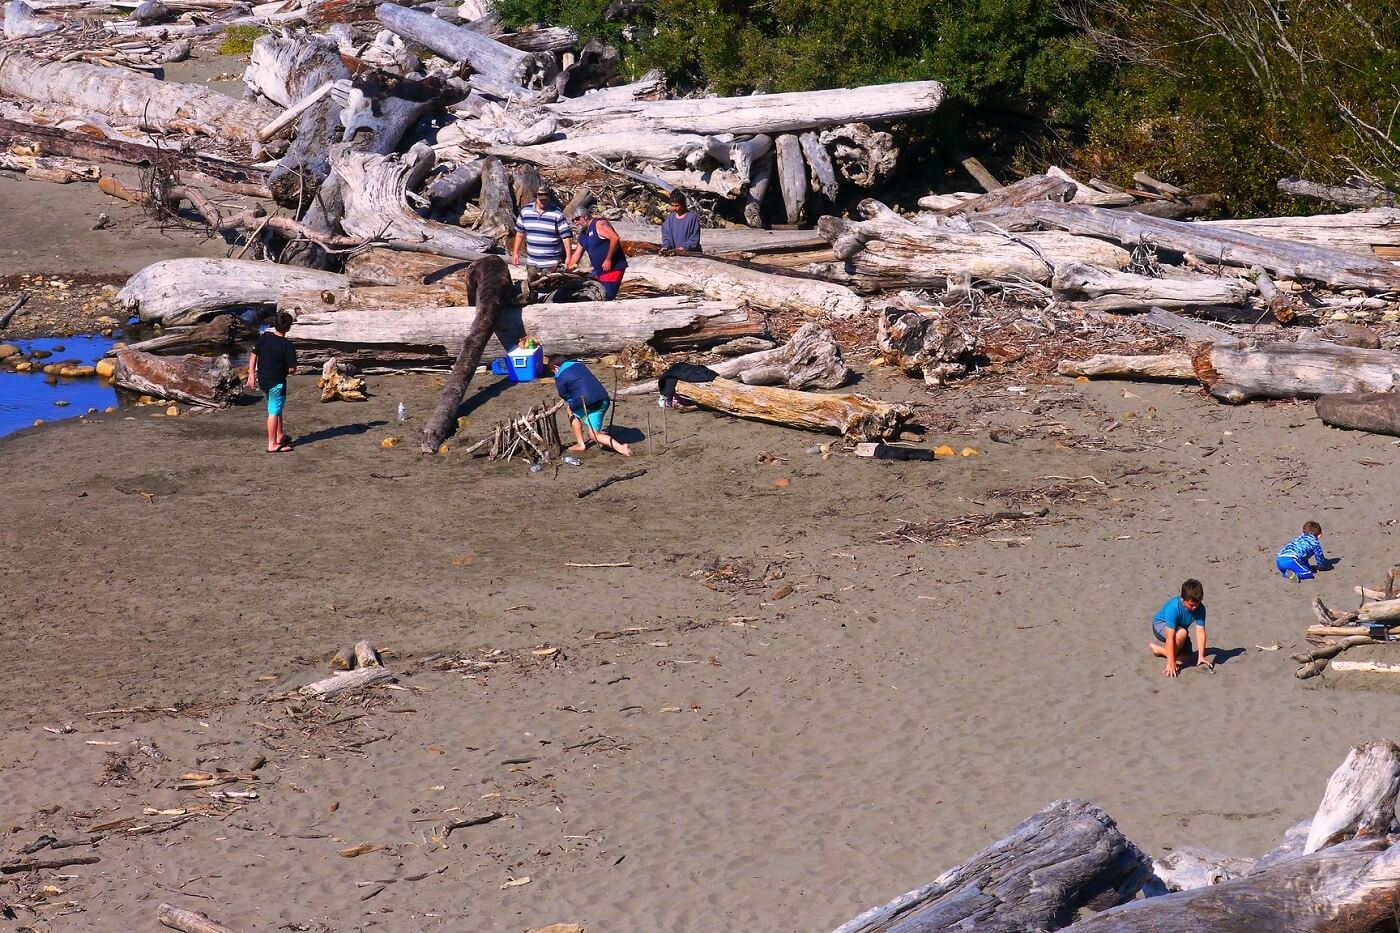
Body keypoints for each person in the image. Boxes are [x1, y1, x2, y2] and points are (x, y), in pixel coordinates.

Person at [548, 355, 631, 457]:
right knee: (595, 432)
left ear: (556, 367)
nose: (554, 374)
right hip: (603, 399)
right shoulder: (580, 365)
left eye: (553, 371)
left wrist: (571, 402)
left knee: (571, 411)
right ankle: (606, 440)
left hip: (586, 401)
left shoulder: (559, 375)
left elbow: (563, 394)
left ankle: (582, 444)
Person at [247, 311, 297, 453]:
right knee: (273, 411)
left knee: (275, 407)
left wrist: (251, 374)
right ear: (288, 328)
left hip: (263, 379)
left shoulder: (265, 337)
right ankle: (272, 444)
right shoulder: (287, 345)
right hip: (277, 382)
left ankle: (279, 435)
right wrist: (286, 371)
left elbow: (253, 354)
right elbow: (292, 369)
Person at [511, 186, 572, 302]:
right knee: (532, 289)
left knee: (551, 292)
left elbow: (565, 237)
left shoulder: (557, 213)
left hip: (551, 263)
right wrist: (515, 253)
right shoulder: (526, 212)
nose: (543, 202)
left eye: (545, 199)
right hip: (533, 262)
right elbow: (520, 234)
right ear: (536, 197)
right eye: (541, 199)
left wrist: (569, 257)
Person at [1149, 579, 1212, 678]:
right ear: (1183, 600)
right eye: (1192, 605)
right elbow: (1171, 636)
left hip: (1179, 629)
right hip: (1160, 625)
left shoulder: (1200, 608)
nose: (1195, 607)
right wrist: (1171, 662)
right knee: (1182, 633)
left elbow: (1200, 631)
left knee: (1186, 659)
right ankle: (1170, 655)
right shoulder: (1173, 608)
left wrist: (1201, 656)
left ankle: (1160, 650)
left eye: (1198, 604)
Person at [566, 205, 627, 299]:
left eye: (577, 219)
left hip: (613, 268)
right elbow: (577, 255)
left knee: (607, 295)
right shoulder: (583, 235)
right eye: (573, 221)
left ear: (585, 216)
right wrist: (567, 271)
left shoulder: (599, 224)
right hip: (598, 271)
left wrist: (608, 259)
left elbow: (615, 238)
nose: (575, 222)